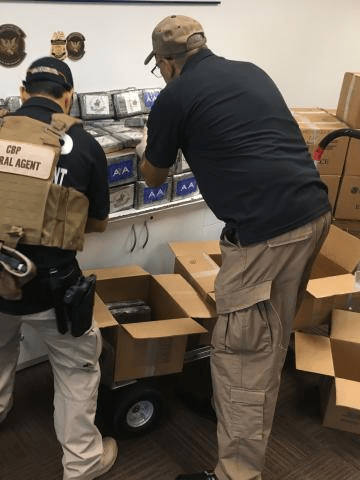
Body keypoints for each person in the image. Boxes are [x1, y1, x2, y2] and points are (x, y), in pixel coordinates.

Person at [136, 15, 332, 480]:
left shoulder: (174, 96)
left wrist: (147, 144)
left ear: (167, 62)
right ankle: (237, 407)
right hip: (314, 213)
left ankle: (236, 472)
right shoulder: (250, 71)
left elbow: (154, 176)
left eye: (159, 67)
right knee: (268, 333)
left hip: (268, 235)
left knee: (243, 356)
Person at [0, 56, 116, 480]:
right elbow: (98, 224)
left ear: (23, 92)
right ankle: (82, 463)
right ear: (68, 97)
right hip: (52, 288)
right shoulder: (84, 143)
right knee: (76, 372)